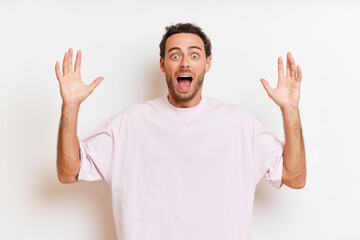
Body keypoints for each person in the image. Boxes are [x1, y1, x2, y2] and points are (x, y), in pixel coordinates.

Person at [55, 23, 306, 240]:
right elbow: (69, 171)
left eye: (194, 55)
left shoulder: (240, 123)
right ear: (163, 64)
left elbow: (294, 177)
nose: (185, 62)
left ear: (207, 63)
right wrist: (70, 106)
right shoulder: (128, 124)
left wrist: (291, 110)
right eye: (175, 56)